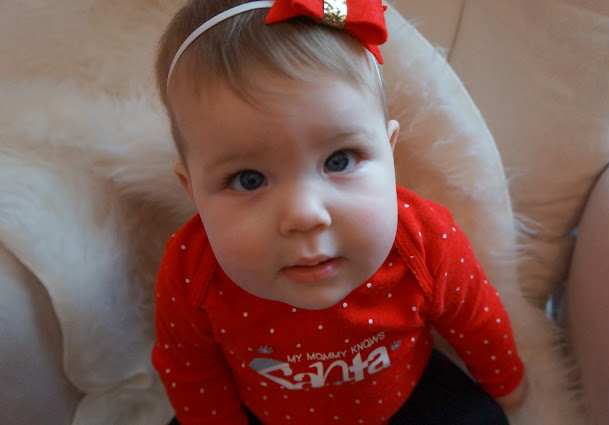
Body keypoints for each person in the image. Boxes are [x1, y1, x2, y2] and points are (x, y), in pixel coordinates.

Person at [151, 1, 528, 424]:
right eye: (248, 180)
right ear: (192, 189)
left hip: (406, 395)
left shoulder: (424, 239)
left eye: (339, 160)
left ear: (389, 150)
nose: (305, 215)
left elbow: (475, 318)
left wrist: (507, 384)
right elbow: (190, 370)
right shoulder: (191, 271)